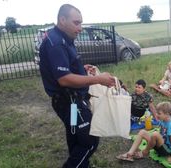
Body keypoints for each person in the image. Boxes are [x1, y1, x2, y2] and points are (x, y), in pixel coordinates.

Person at [38, 4, 115, 168]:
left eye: (81, 23)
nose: (80, 28)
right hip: (70, 102)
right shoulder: (56, 43)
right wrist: (99, 79)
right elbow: (64, 79)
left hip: (70, 102)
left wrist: (81, 69)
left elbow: (65, 68)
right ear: (62, 20)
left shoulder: (63, 38)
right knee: (89, 141)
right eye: (76, 23)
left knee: (75, 135)